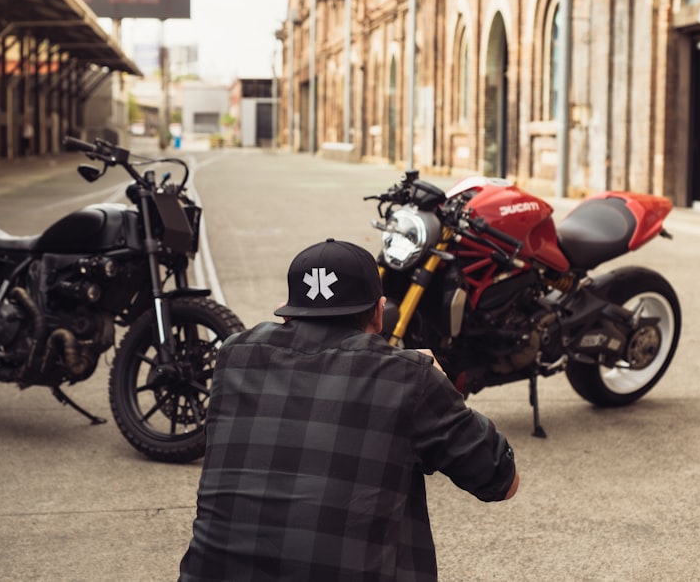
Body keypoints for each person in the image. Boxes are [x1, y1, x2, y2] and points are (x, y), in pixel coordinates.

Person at [179, 238, 519, 581]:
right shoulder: (408, 376)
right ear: (379, 312)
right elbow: (502, 481)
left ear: (286, 309)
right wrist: (438, 383)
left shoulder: (234, 356)